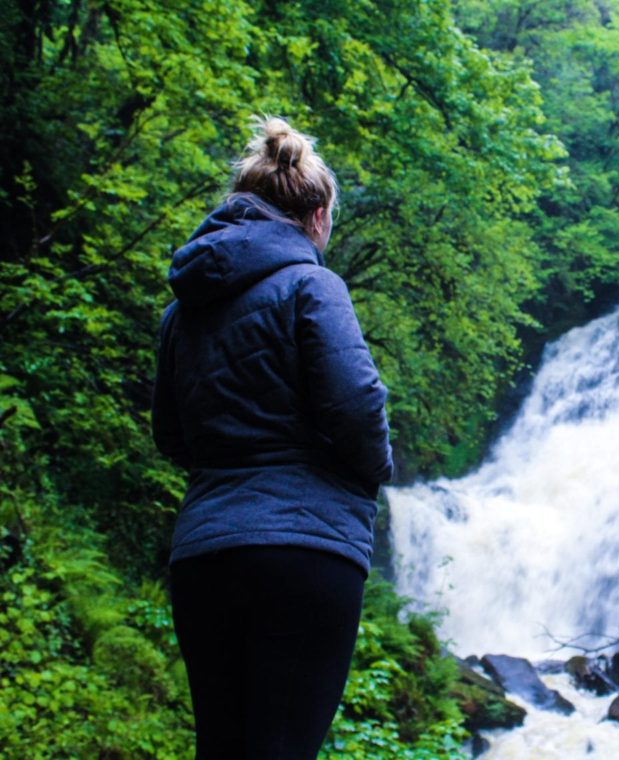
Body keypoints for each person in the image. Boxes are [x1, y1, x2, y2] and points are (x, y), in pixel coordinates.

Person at [151, 116, 394, 759]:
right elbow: (358, 402)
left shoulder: (183, 310)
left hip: (205, 553)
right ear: (316, 217)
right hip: (304, 551)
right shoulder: (313, 284)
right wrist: (371, 473)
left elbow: (170, 434)